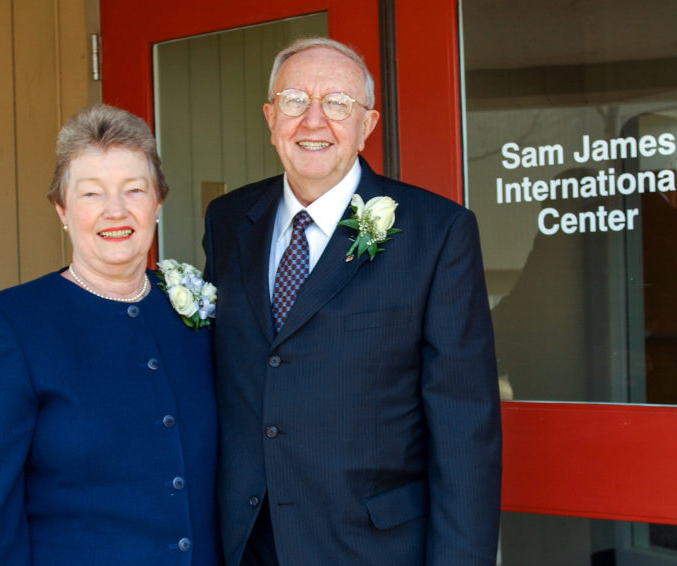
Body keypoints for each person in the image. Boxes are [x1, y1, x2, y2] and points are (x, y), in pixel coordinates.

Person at [203, 37, 501, 566]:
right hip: (246, 540)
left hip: (371, 545)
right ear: (271, 118)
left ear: (367, 124)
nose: (313, 122)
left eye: (337, 103)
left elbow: (464, 430)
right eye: (295, 101)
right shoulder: (229, 220)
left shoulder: (438, 232)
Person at [0, 104, 221, 565]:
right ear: (62, 208)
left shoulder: (195, 314)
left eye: (134, 189)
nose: (116, 210)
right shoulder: (7, 327)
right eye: (92, 194)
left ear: (157, 203)